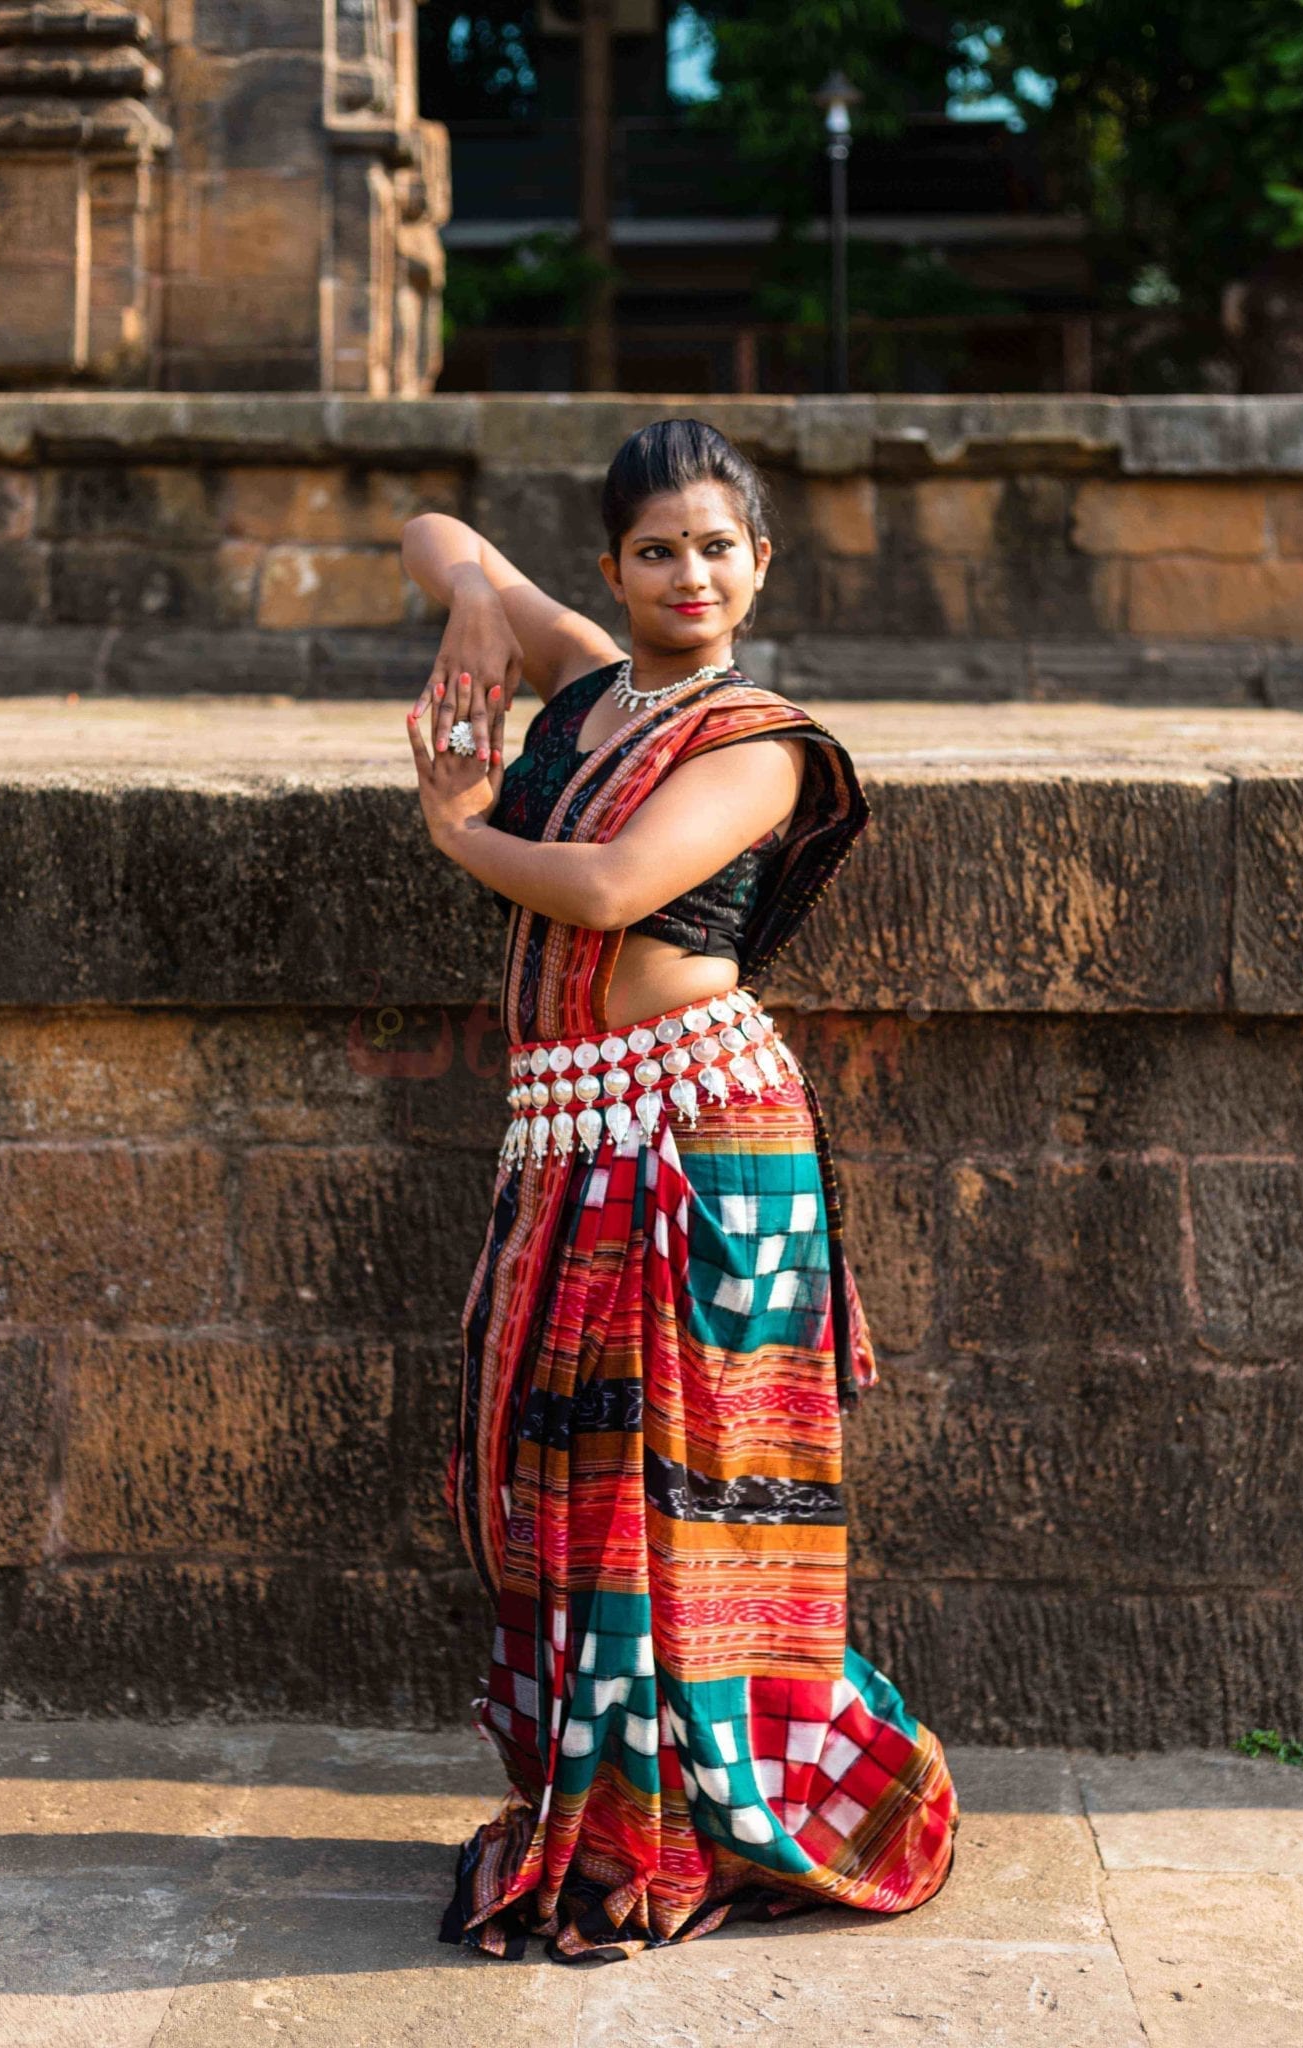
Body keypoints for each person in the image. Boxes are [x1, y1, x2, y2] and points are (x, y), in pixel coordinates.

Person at [401, 417, 958, 1965]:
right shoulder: (587, 686)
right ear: (614, 567)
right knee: (565, 1484)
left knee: (688, 1484)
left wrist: (456, 823)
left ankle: (712, 1803)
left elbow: (604, 888)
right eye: (658, 548)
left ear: (758, 563)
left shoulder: (759, 741)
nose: (690, 572)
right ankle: (606, 1786)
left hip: (703, 1137)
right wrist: (471, 609)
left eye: (717, 546)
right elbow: (438, 529)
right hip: (576, 1136)